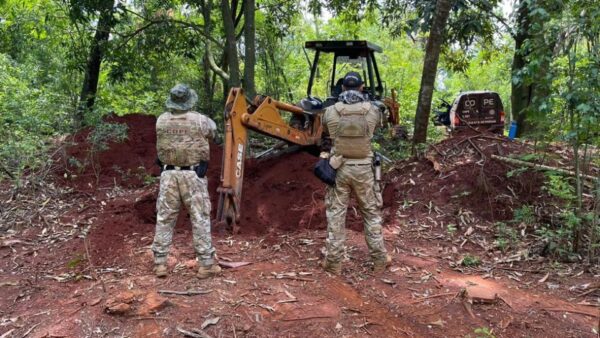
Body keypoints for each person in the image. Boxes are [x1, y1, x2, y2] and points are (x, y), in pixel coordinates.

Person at [320, 71, 390, 275]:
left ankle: (333, 263)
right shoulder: (373, 111)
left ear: (342, 88)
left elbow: (325, 131)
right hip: (365, 169)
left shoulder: (330, 111)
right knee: (371, 213)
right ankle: (379, 260)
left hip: (338, 168)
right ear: (361, 87)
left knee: (336, 215)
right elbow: (379, 125)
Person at [152, 84, 220, 279]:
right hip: (192, 175)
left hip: (168, 175)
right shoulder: (201, 121)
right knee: (200, 217)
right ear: (190, 100)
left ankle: (160, 263)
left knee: (165, 217)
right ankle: (206, 263)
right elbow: (214, 134)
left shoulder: (161, 120)